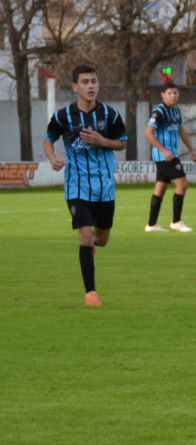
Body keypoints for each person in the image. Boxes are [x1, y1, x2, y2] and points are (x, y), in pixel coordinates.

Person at [42, 64, 127, 306]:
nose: (91, 86)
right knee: (86, 234)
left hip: (105, 188)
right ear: (75, 87)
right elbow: (48, 140)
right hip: (77, 187)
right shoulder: (63, 116)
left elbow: (121, 143)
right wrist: (52, 158)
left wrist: (102, 140)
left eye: (94, 81)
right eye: (86, 82)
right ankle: (90, 293)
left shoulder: (110, 115)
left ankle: (92, 248)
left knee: (101, 239)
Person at [144, 83, 196, 232]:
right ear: (163, 95)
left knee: (160, 188)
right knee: (182, 184)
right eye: (170, 93)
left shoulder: (175, 111)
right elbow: (148, 133)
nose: (173, 95)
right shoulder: (159, 111)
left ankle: (151, 225)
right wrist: (163, 150)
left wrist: (192, 149)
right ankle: (176, 221)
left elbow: (181, 130)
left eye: (175, 93)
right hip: (165, 156)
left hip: (170, 155)